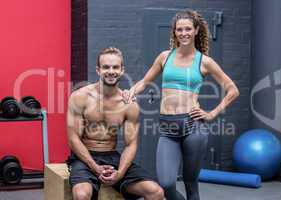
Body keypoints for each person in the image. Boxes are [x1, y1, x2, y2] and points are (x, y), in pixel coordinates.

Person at [123, 9, 240, 200]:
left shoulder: (205, 62)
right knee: (167, 183)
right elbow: (144, 82)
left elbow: (233, 90)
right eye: (179, 30)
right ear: (174, 32)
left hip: (193, 127)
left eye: (187, 29)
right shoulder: (164, 57)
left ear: (195, 31)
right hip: (167, 128)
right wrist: (131, 91)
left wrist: (211, 114)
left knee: (190, 184)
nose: (183, 33)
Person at [66, 47, 164, 200]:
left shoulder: (129, 104)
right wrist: (95, 167)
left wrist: (120, 173)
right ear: (98, 70)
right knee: (81, 195)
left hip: (112, 157)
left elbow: (131, 144)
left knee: (156, 192)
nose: (111, 71)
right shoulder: (80, 97)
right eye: (106, 67)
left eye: (115, 67)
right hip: (84, 158)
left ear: (122, 70)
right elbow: (73, 139)